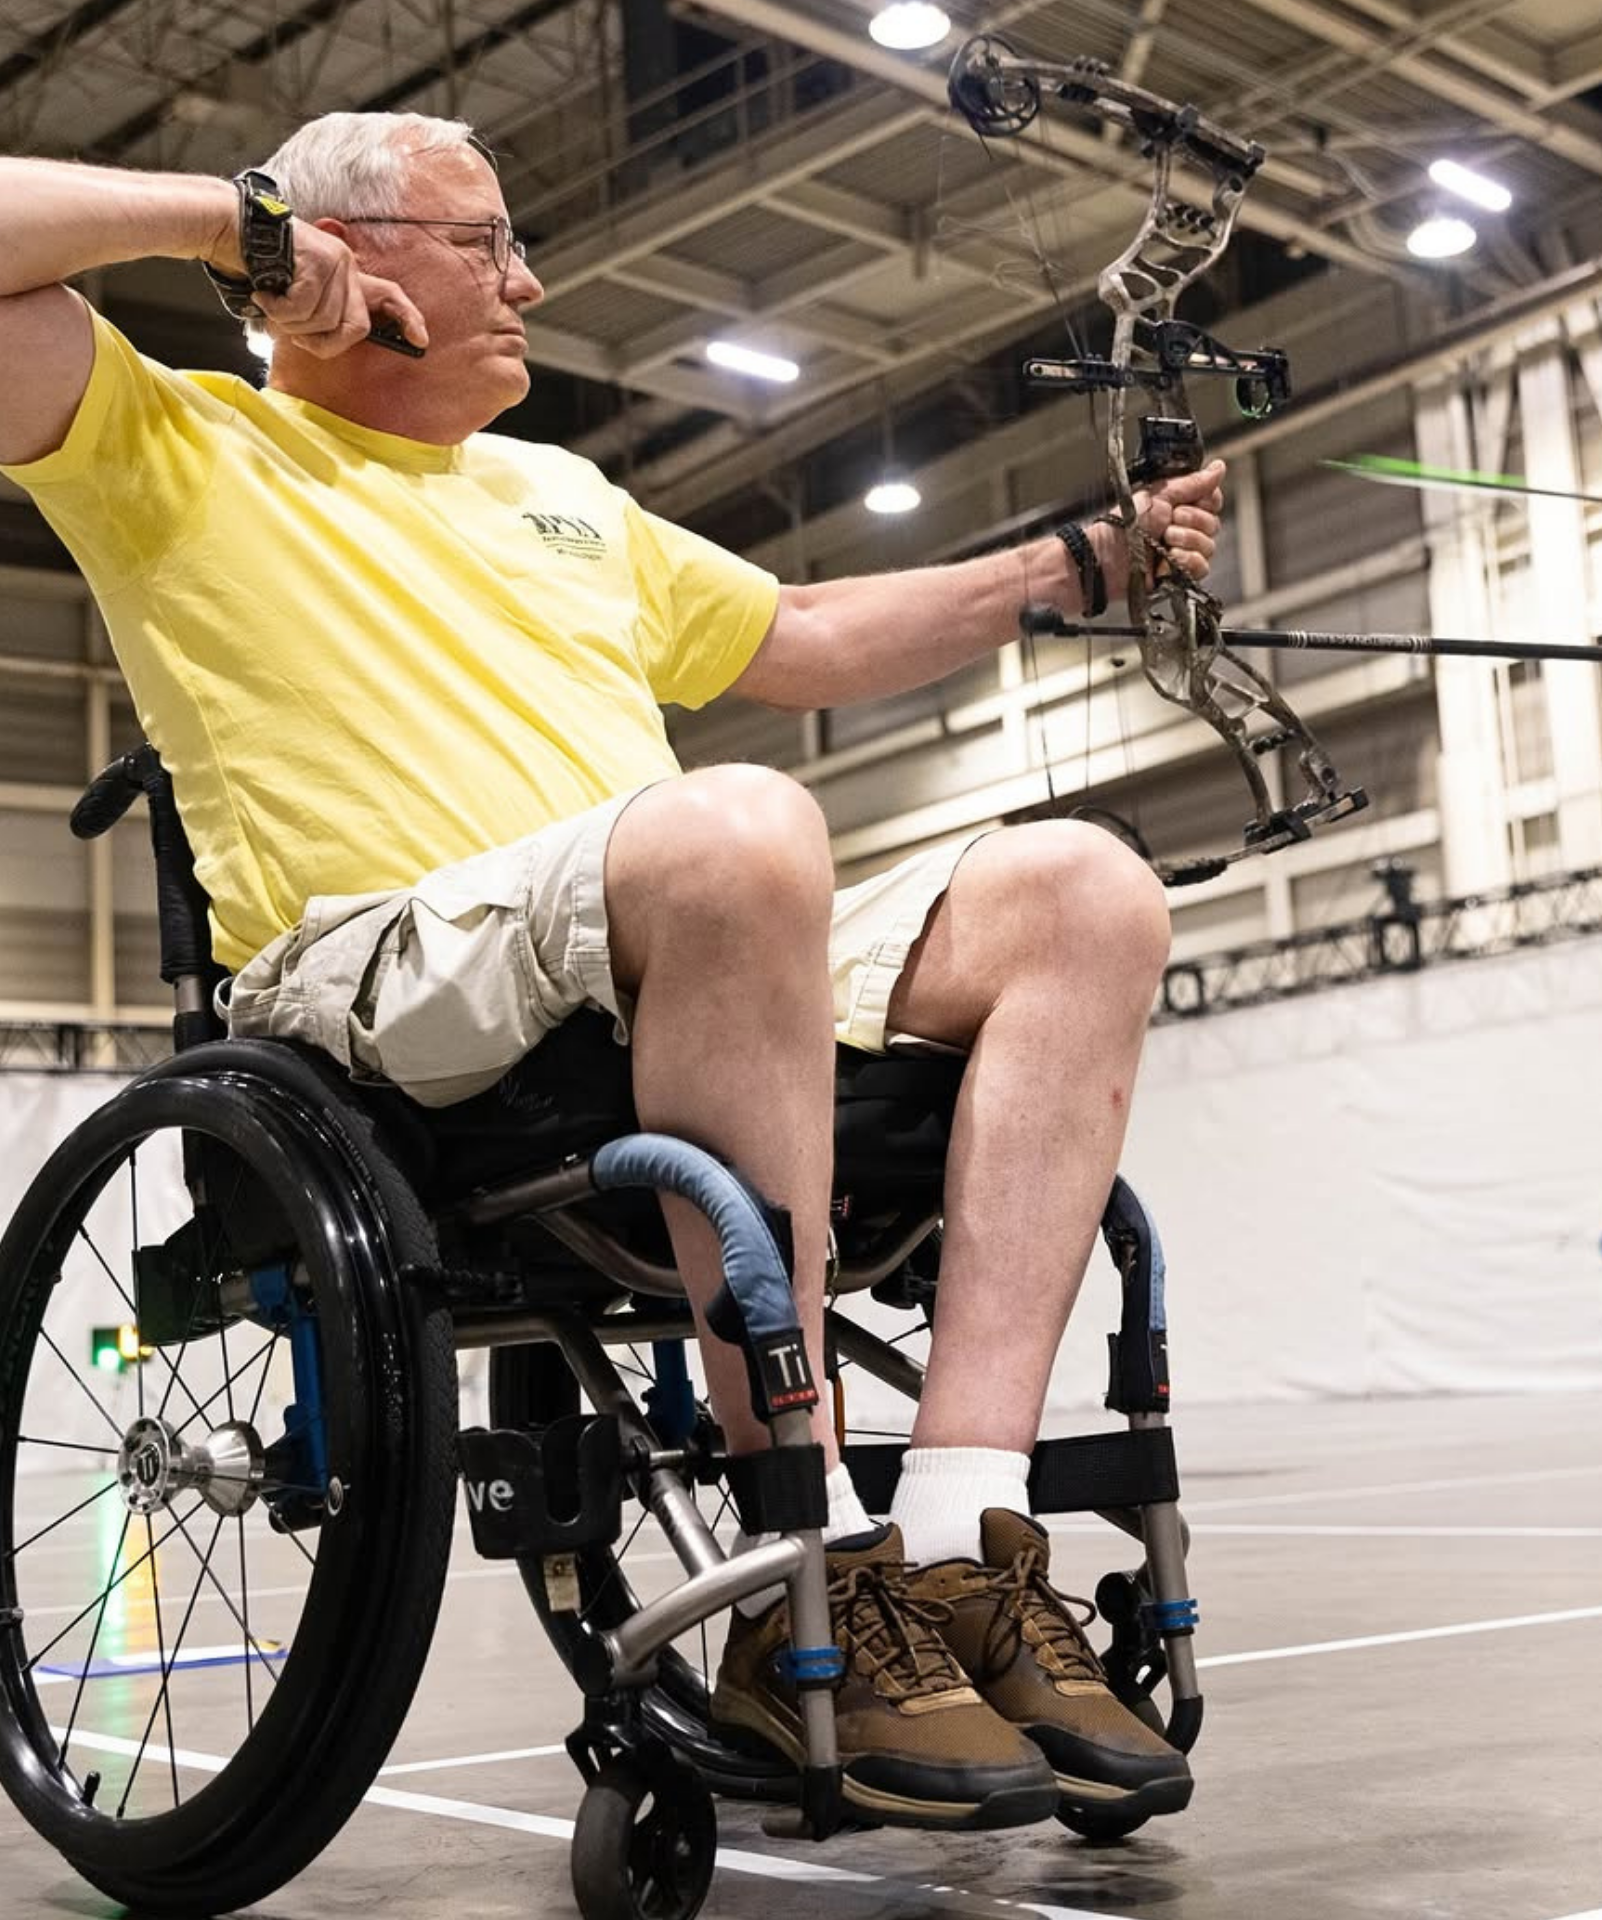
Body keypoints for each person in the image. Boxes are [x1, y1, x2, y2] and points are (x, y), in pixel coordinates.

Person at [0, 112, 1224, 1835]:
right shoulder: (163, 437)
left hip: (660, 926)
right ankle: (806, 1534)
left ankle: (953, 1543)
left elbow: (798, 639)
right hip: (386, 971)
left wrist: (1073, 567)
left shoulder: (564, 497)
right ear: (343, 256)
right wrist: (237, 229)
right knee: (732, 834)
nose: (530, 279)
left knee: (1082, 888)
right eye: (485, 239)